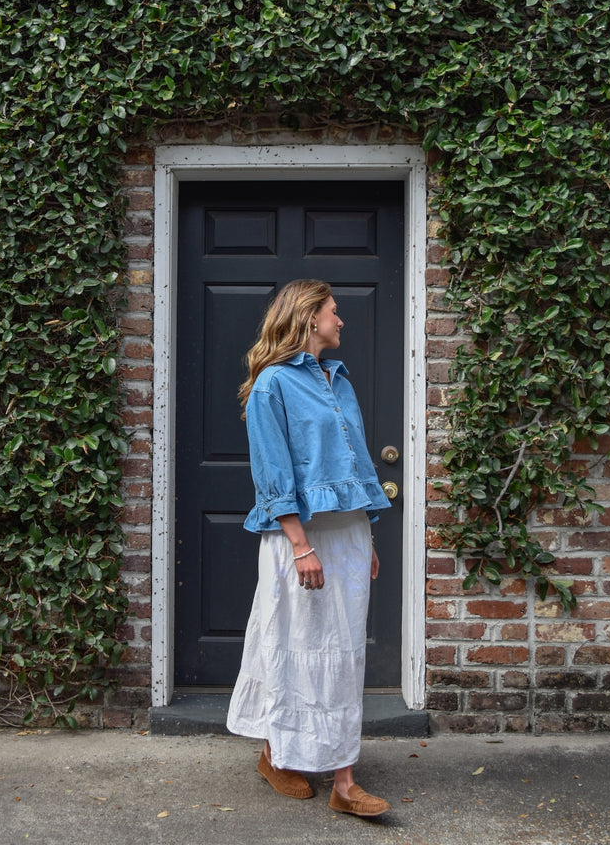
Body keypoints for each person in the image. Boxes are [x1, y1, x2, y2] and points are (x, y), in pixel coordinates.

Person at [226, 278, 392, 818]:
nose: (340, 321)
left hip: (346, 533)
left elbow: (359, 463)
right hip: (299, 536)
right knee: (293, 643)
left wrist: (366, 530)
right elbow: (272, 474)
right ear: (307, 318)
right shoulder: (272, 384)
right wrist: (300, 546)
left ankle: (344, 781)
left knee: (342, 655)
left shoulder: (339, 380)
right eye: (332, 312)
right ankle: (277, 753)